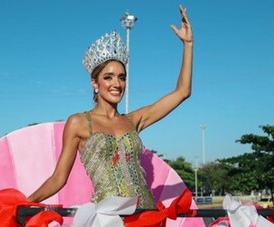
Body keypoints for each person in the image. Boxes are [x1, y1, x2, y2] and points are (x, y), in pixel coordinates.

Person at [27, 4, 193, 210]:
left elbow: (183, 92)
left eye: (121, 77)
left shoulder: (133, 120)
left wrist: (188, 45)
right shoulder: (78, 122)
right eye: (108, 77)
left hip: (147, 215)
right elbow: (58, 178)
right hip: (108, 218)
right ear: (95, 83)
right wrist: (24, 203)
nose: (116, 83)